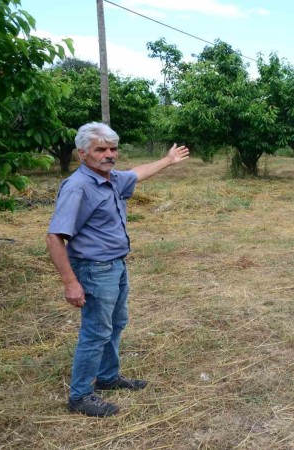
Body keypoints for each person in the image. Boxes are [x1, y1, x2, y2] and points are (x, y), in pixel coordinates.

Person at [47, 122, 189, 417]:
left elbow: (138, 173)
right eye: (101, 149)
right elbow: (54, 237)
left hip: (116, 266)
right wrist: (70, 282)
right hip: (93, 270)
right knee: (96, 332)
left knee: (115, 324)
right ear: (82, 154)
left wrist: (168, 160)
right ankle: (80, 395)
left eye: (113, 148)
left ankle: (108, 378)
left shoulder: (110, 179)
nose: (109, 154)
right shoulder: (78, 187)